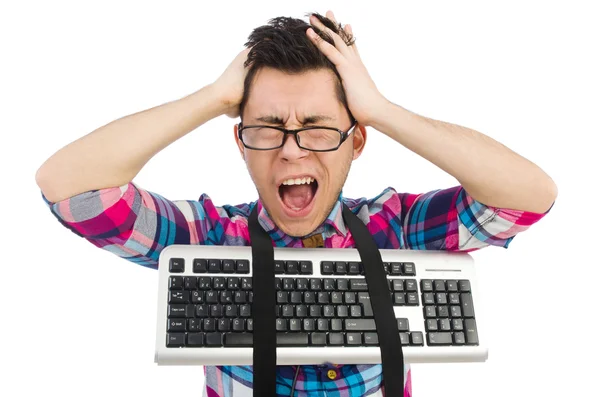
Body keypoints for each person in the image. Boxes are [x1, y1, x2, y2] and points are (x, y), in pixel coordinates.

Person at [35, 10, 557, 397]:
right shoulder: (214, 238)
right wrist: (213, 98)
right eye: (266, 130)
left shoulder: (393, 229)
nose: (290, 150)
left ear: (356, 142)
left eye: (316, 129)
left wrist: (379, 109)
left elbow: (527, 197)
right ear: (240, 142)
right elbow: (71, 189)